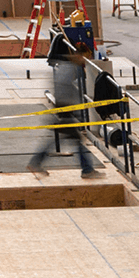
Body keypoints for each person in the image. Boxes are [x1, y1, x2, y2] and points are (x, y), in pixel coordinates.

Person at [26, 35, 106, 179]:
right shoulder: (68, 68)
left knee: (66, 141)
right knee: (77, 141)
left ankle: (36, 162)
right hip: (65, 112)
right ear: (77, 54)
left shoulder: (67, 66)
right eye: (83, 57)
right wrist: (71, 108)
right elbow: (63, 87)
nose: (83, 61)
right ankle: (87, 170)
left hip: (65, 111)